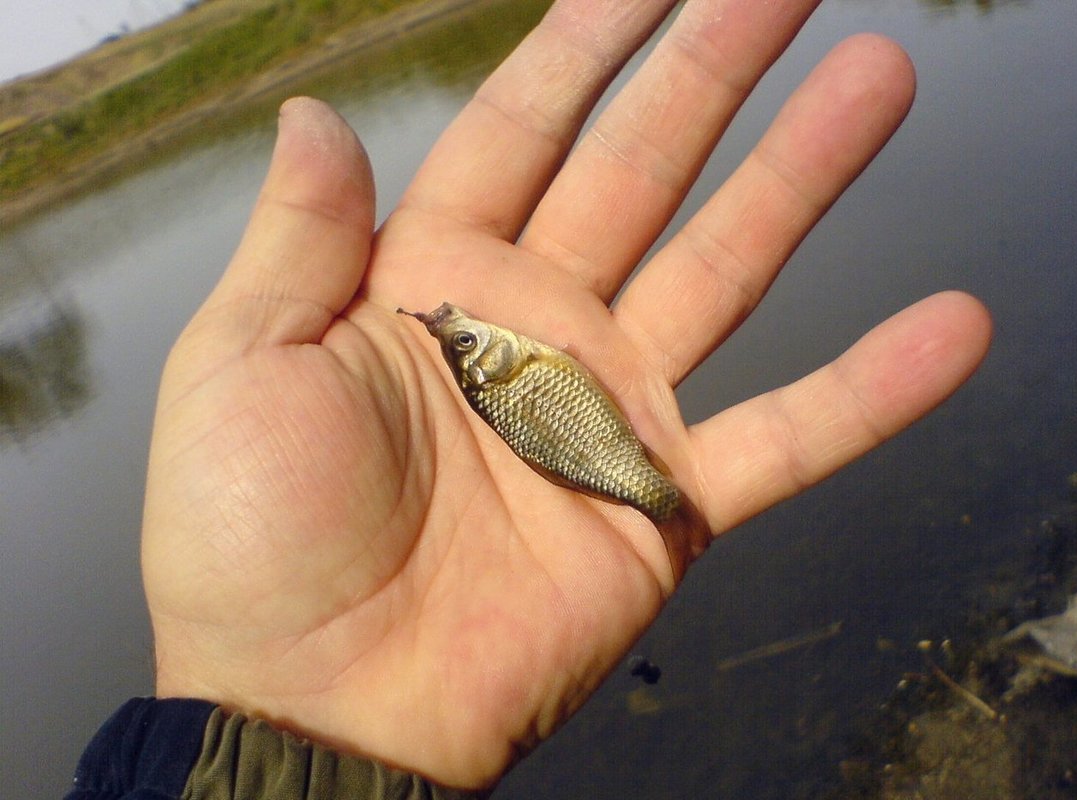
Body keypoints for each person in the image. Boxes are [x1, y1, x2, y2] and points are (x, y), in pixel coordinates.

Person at [66, 0, 992, 797]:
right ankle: (651, 499)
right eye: (466, 344)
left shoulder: (498, 369)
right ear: (486, 364)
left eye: (464, 341)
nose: (466, 332)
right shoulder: (497, 371)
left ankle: (650, 498)